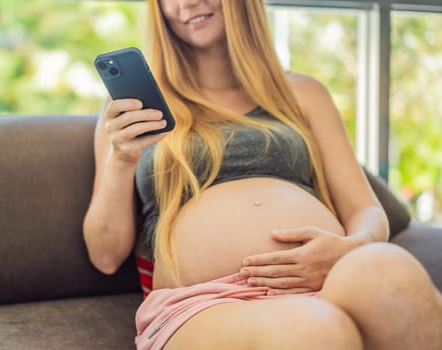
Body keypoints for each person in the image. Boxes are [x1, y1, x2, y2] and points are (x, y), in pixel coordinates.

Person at [83, 0, 442, 349]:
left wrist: (349, 248)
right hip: (206, 302)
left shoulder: (302, 93)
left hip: (328, 278)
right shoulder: (131, 112)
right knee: (317, 330)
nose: (187, 3)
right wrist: (121, 160)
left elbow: (367, 210)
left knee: (394, 274)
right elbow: (105, 256)